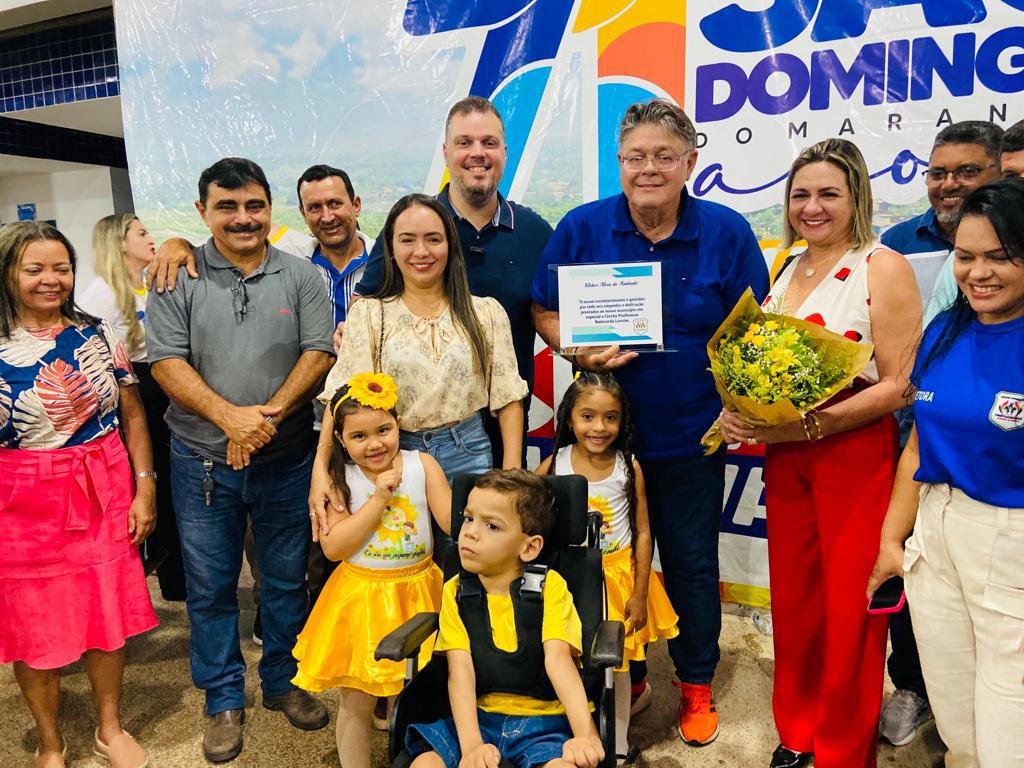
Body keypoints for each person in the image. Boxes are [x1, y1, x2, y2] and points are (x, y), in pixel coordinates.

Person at [531, 98, 770, 746]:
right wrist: (575, 349)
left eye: (665, 156)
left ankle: (695, 683)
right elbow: (543, 309)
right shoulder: (582, 227)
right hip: (602, 443)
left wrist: (744, 401)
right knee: (599, 565)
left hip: (694, 437)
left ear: (690, 161)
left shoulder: (727, 232)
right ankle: (626, 674)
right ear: (620, 162)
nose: (649, 169)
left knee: (691, 565)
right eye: (636, 156)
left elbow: (756, 330)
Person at [719, 138, 922, 768]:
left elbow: (899, 385)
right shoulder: (785, 266)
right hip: (787, 458)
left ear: (856, 196)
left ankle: (840, 747)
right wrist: (743, 408)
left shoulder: (881, 265)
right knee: (797, 600)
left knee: (851, 606)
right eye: (801, 194)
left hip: (853, 455)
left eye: (828, 193)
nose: (812, 207)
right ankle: (797, 730)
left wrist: (812, 427)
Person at [146, 157, 336, 763]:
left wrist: (263, 420)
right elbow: (165, 362)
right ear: (202, 212)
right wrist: (229, 419)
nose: (243, 218)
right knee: (210, 586)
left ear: (270, 208)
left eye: (254, 205)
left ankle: (282, 681)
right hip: (201, 460)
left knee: (285, 578)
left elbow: (318, 353)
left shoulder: (303, 276)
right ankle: (223, 697)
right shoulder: (176, 275)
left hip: (286, 459)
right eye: (226, 206)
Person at [867, 177, 1024, 768]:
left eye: (999, 257)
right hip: (934, 530)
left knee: (1009, 721)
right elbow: (917, 447)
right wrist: (892, 541)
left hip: (1010, 539)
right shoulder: (945, 330)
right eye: (965, 256)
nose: (978, 273)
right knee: (956, 709)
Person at [0, 221, 158, 768]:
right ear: (8, 273)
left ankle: (109, 728)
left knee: (105, 612)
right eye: (35, 269)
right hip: (19, 500)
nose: (52, 280)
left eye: (61, 268)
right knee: (31, 624)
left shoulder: (97, 333)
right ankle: (50, 741)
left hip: (101, 487)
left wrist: (145, 487)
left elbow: (132, 414)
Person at [355, 96, 553, 467]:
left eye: (489, 143)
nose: (478, 153)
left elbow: (554, 313)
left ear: (504, 153)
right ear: (446, 153)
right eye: (465, 142)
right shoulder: (411, 229)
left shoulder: (536, 233)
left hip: (504, 424)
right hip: (407, 433)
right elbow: (365, 306)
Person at [312, 193, 527, 521]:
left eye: (433, 239)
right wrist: (321, 471)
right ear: (391, 249)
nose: (421, 251)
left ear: (450, 246)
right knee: (403, 548)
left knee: (468, 548)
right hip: (392, 458)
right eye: (407, 240)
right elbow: (340, 397)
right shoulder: (370, 314)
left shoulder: (485, 313)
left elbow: (508, 398)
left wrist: (512, 475)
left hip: (468, 453)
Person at [292, 372, 451, 768]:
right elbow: (334, 548)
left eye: (383, 430)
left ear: (398, 424)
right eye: (359, 436)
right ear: (341, 440)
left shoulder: (422, 465)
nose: (375, 443)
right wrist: (379, 498)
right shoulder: (340, 478)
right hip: (362, 599)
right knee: (357, 699)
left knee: (411, 693)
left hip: (419, 591)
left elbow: (451, 521)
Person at [406, 469, 605, 768]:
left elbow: (558, 660)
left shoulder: (550, 588)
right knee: (425, 763)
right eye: (468, 518)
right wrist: (472, 746)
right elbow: (460, 671)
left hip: (543, 721)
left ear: (529, 547)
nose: (470, 531)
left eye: (491, 525)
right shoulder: (456, 591)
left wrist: (585, 734)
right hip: (477, 717)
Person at [537, 371, 679, 762]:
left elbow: (643, 533)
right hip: (568, 580)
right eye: (587, 416)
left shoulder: (627, 467)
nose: (599, 427)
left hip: (618, 579)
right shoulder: (553, 465)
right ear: (569, 419)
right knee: (570, 656)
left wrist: (640, 593)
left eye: (610, 418)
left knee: (616, 666)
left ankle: (616, 745)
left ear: (622, 421)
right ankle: (577, 726)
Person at [77, 213, 187, 603]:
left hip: (163, 394)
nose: (151, 238)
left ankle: (177, 582)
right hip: (132, 401)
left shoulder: (148, 286)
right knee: (145, 493)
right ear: (119, 242)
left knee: (171, 493)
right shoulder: (98, 297)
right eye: (141, 233)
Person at [889, 122, 1003, 325]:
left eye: (967, 171)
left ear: (1002, 172)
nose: (949, 184)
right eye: (937, 174)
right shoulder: (894, 244)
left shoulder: (1016, 239)